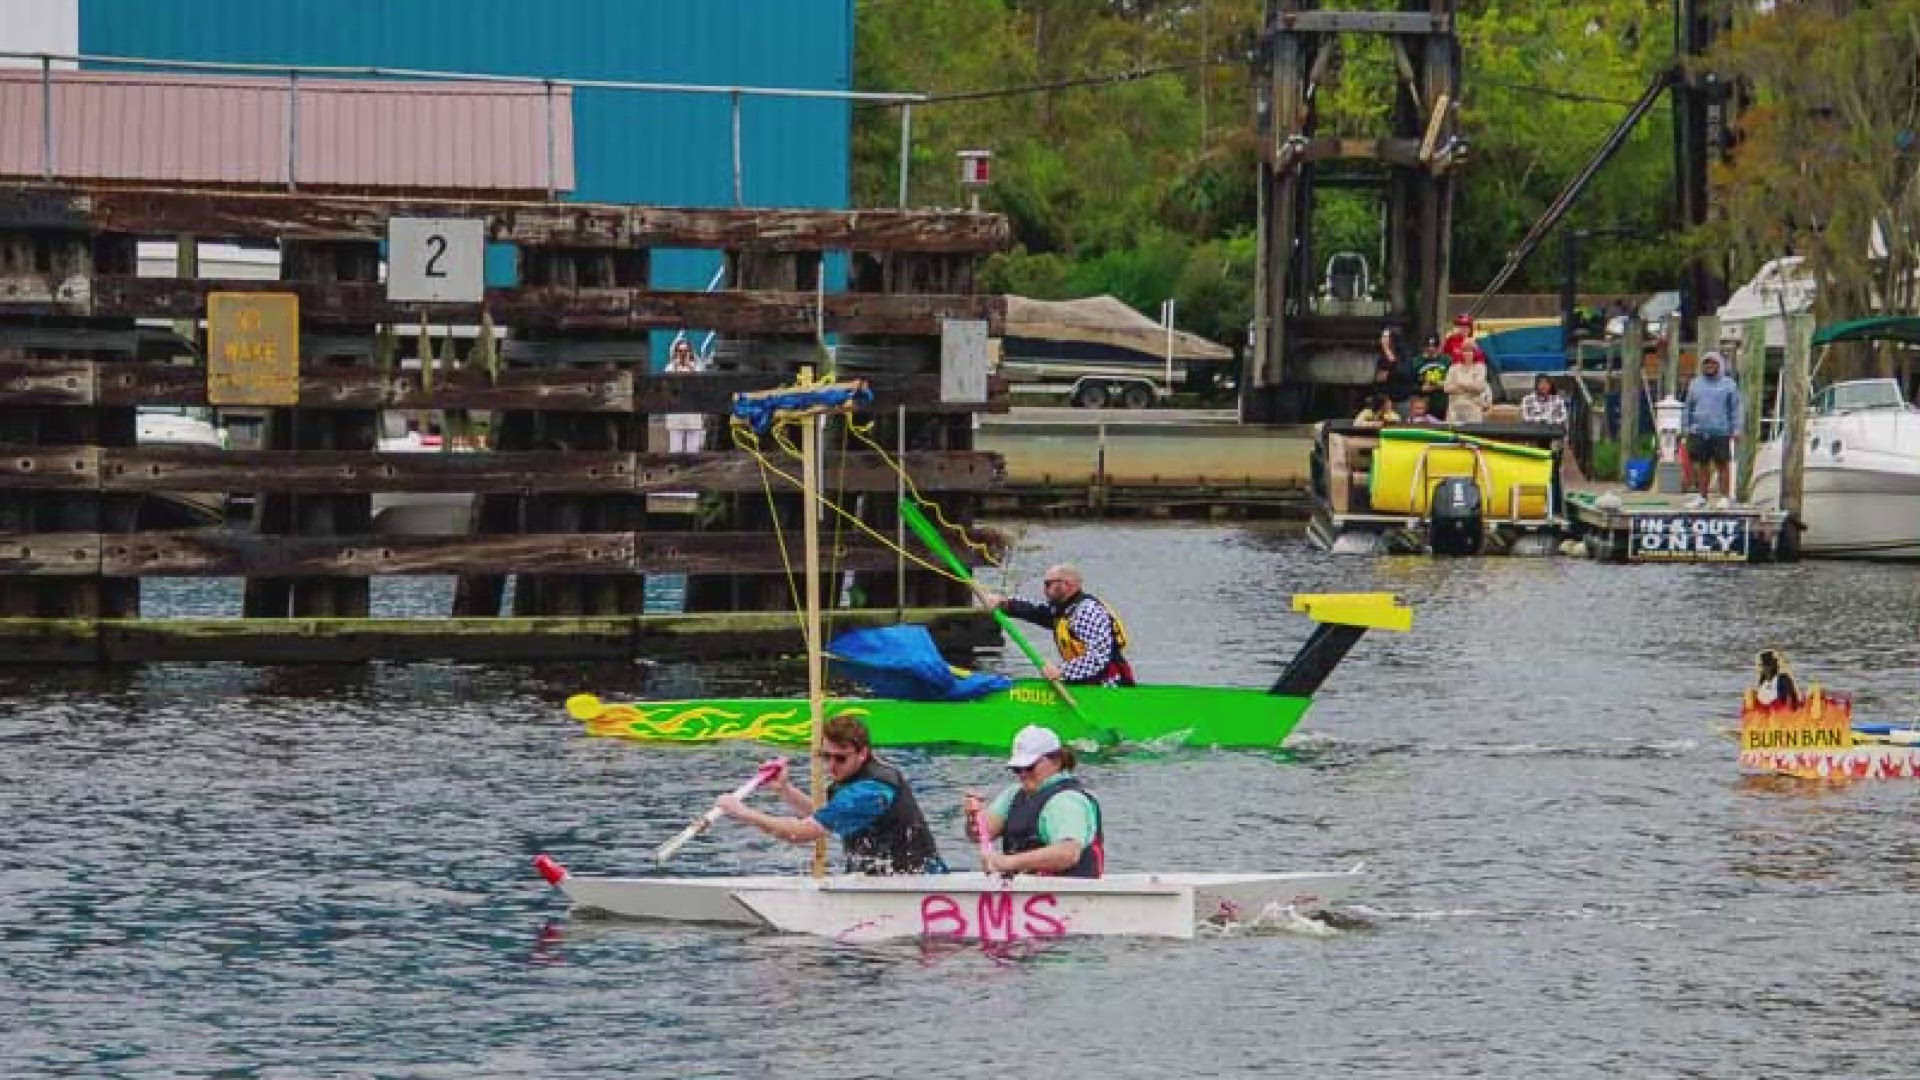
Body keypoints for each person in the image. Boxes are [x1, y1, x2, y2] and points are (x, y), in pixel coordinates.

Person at [716, 713, 946, 875]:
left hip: (913, 880)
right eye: (827, 756)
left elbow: (800, 833)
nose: (831, 766)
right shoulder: (849, 779)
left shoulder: (868, 792)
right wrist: (785, 790)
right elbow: (824, 813)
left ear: (863, 753)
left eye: (840, 758)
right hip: (880, 878)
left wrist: (743, 813)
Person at [963, 725, 1104, 878]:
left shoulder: (1066, 801)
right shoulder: (1014, 794)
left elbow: (1068, 853)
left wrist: (1007, 862)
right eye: (1017, 769)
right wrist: (974, 817)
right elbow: (980, 834)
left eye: (1029, 767)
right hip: (1029, 893)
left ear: (1056, 762)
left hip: (1070, 894)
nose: (1022, 774)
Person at [977, 564, 1135, 686]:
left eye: (1048, 584)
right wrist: (1005, 604)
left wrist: (1061, 671)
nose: (1045, 590)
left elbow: (1099, 657)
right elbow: (1037, 612)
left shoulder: (1087, 611)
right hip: (1086, 682)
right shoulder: (1065, 610)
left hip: (1109, 685)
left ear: (1066, 585)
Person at [1683, 351, 1742, 509]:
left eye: (1713, 363)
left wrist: (1736, 429)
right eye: (1707, 363)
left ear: (1719, 365)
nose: (1710, 366)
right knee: (1702, 465)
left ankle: (1724, 497)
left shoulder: (1729, 384)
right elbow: (1688, 407)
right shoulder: (1695, 383)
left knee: (1723, 465)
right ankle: (1702, 497)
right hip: (1699, 431)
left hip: (1721, 431)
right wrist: (1686, 427)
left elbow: (1735, 409)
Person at [664, 338, 706, 454]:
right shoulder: (670, 368)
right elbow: (668, 387)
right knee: (675, 450)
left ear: (690, 352)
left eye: (685, 351)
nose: (683, 354)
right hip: (676, 414)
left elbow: (701, 386)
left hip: (693, 413)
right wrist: (677, 368)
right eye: (680, 351)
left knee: (693, 450)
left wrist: (690, 368)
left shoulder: (697, 368)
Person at [1442, 341, 1492, 424]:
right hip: (1455, 408)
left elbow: (1479, 387)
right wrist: (1469, 387)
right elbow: (1447, 388)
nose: (1467, 353)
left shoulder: (1481, 368)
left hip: (1473, 408)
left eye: (1470, 351)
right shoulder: (1453, 368)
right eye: (1465, 351)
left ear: (1475, 353)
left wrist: (1459, 384)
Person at [1372, 326, 1419, 412]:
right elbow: (1379, 377)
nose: (1383, 340)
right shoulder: (1382, 356)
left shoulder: (1406, 354)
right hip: (1386, 401)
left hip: (1402, 400)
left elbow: (1405, 373)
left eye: (1386, 337)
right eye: (1383, 336)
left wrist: (1387, 351)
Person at [1414, 333, 1450, 420]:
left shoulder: (1446, 360)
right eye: (1428, 346)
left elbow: (1453, 381)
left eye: (1434, 346)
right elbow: (1410, 383)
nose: (1431, 349)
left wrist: (1442, 385)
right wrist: (1420, 388)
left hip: (1441, 402)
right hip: (1422, 403)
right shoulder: (1416, 361)